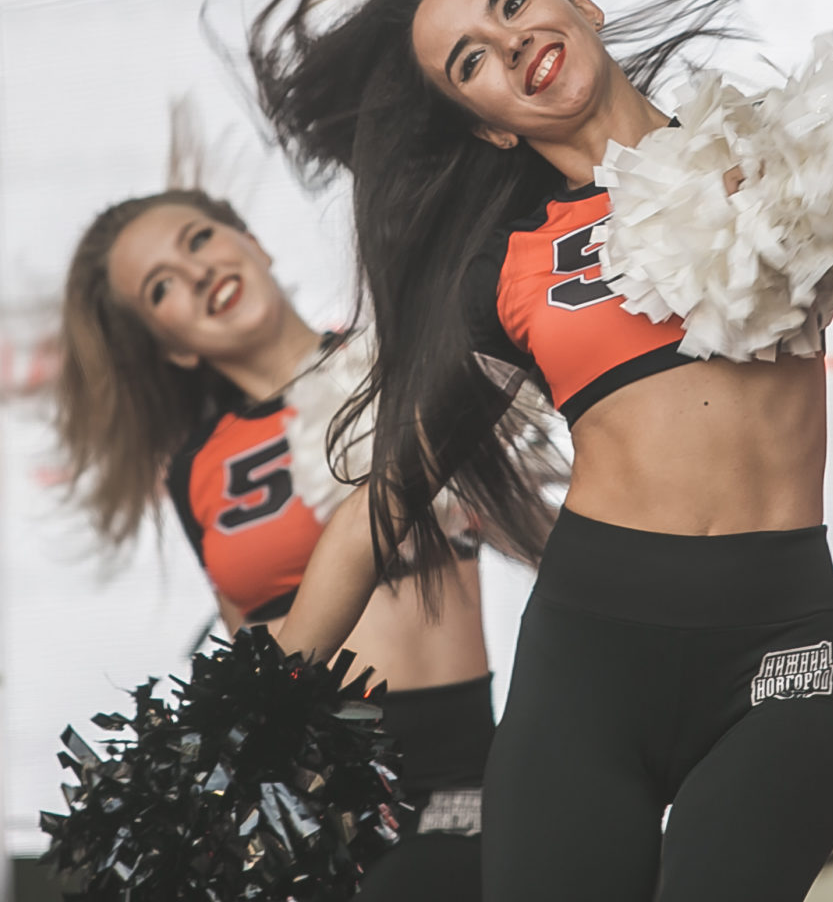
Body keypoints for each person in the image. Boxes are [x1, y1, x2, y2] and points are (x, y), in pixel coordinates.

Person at [245, 0, 833, 902]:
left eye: (513, 4)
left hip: (781, 648)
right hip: (590, 660)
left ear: (582, 7)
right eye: (470, 59)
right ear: (486, 127)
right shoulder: (506, 269)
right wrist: (250, 720)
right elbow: (383, 504)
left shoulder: (779, 151)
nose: (510, 43)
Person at [55, 184, 545, 899]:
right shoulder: (196, 470)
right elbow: (248, 650)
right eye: (161, 287)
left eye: (199, 239)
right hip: (309, 805)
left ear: (253, 243)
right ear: (172, 346)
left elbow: (532, 519)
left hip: (454, 773)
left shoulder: (400, 363)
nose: (197, 272)